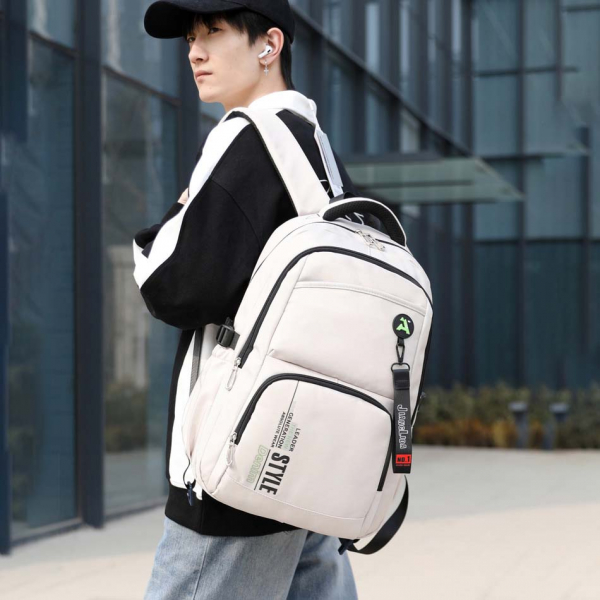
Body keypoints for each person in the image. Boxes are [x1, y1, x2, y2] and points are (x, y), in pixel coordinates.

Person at [135, 1, 378, 597]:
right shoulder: (316, 150)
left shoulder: (249, 138)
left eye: (214, 33)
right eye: (191, 39)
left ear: (269, 45)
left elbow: (174, 287)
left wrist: (170, 223)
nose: (195, 52)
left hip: (240, 463)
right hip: (309, 455)